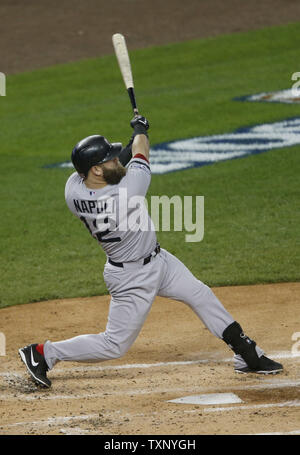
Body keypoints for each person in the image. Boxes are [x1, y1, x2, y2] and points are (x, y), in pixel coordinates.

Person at [18, 115, 283, 388]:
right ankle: (43, 354)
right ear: (96, 170)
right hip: (132, 278)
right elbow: (140, 153)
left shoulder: (73, 189)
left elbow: (120, 162)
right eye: (109, 159)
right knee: (114, 345)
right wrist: (140, 130)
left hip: (159, 261)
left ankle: (246, 353)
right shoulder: (127, 191)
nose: (116, 161)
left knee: (199, 294)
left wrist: (130, 142)